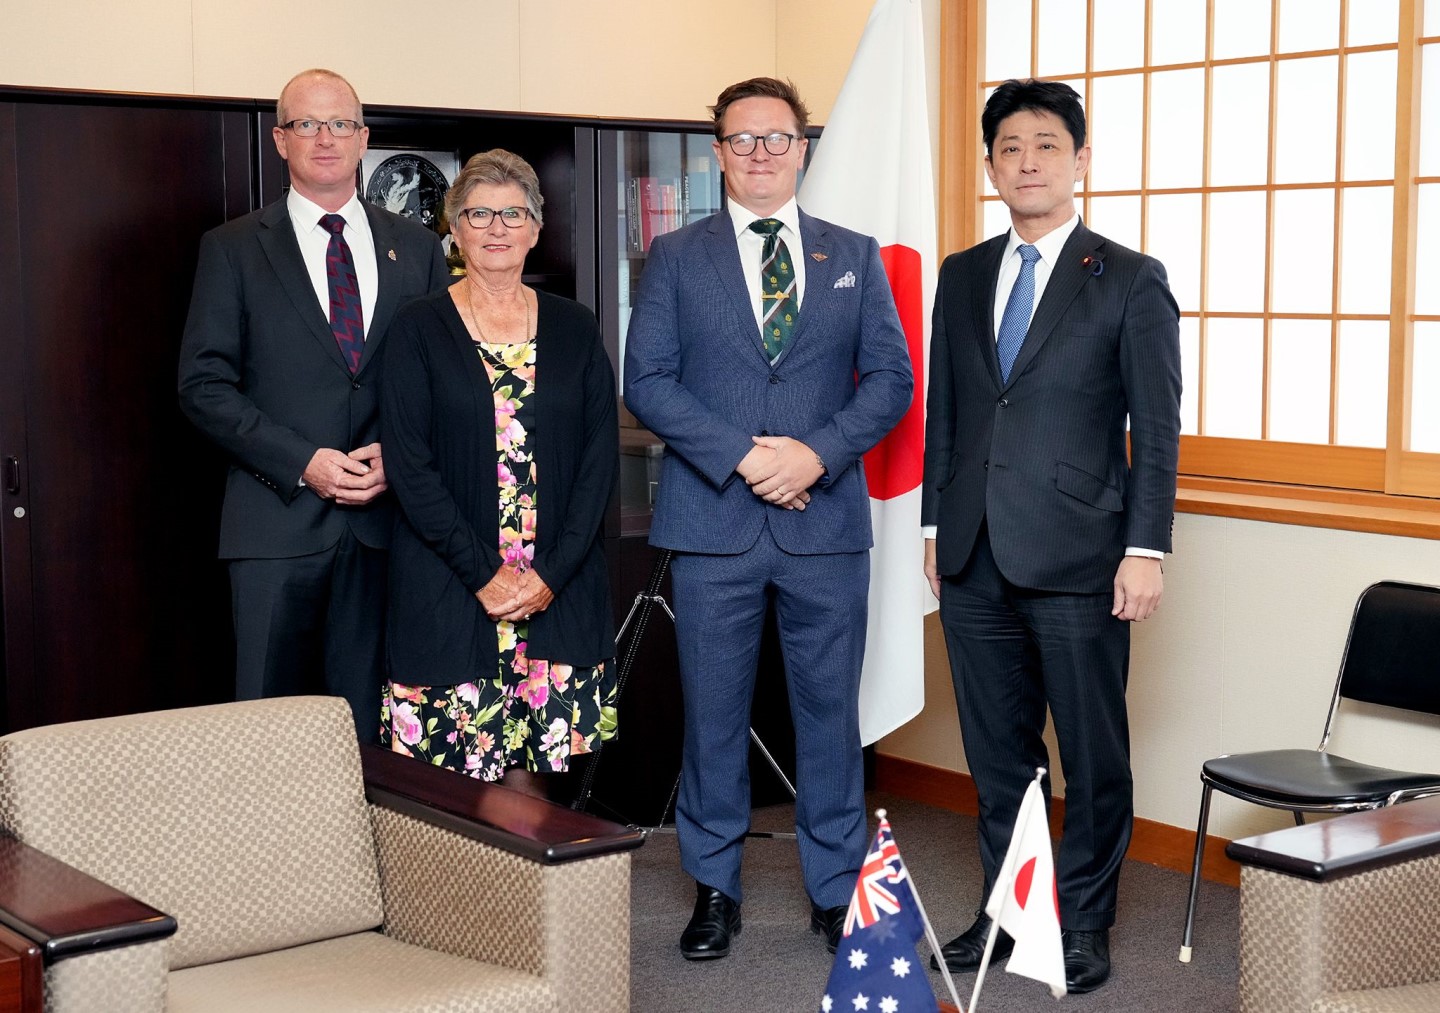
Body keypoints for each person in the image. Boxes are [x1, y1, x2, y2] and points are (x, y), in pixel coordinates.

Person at [624, 77, 913, 960]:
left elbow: (892, 382)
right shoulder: (674, 256)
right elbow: (648, 381)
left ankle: (835, 890)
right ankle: (715, 887)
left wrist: (814, 455)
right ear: (717, 154)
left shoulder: (854, 253)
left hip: (824, 525)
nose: (759, 152)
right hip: (714, 522)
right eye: (741, 140)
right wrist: (749, 457)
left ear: (801, 149)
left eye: (776, 138)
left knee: (828, 714)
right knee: (711, 713)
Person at [921, 78, 1182, 994]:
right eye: (1008, 148)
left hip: (1083, 557)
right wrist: (931, 521)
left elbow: (1156, 427)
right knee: (998, 758)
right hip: (972, 553)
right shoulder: (960, 273)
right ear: (990, 165)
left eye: (1045, 145)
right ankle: (1007, 912)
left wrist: (1145, 548)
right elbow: (947, 413)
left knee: (1093, 754)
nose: (1026, 162)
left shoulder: (1130, 276)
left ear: (1080, 159)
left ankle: (1086, 922)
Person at [178, 69, 449, 745]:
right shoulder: (233, 248)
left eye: (340, 124)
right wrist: (304, 462)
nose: (324, 138)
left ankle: (363, 855)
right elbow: (202, 385)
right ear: (280, 139)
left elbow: (444, 378)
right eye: (306, 124)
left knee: (376, 732)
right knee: (270, 732)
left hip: (388, 528)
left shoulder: (415, 248)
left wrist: (399, 453)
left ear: (364, 138)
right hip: (275, 527)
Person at [379, 150, 618, 796]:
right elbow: (409, 463)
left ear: (537, 229)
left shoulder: (576, 326)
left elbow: (599, 463)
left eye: (514, 213)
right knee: (454, 782)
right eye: (479, 213)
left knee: (534, 778)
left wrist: (548, 575)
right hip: (453, 579)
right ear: (454, 230)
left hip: (554, 587)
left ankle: (529, 900)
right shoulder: (417, 328)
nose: (497, 227)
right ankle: (456, 900)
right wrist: (485, 573)